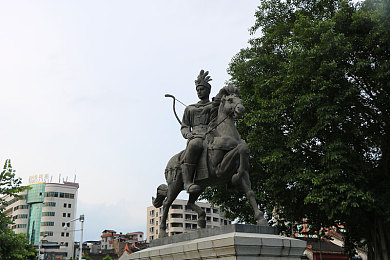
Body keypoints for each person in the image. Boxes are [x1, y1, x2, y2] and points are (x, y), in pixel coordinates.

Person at [181, 70, 212, 194]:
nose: (199, 92)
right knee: (195, 144)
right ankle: (188, 181)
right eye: (197, 90)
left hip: (211, 134)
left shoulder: (214, 105)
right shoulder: (190, 108)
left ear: (208, 90)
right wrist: (188, 134)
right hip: (196, 136)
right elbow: (185, 126)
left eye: (202, 89)